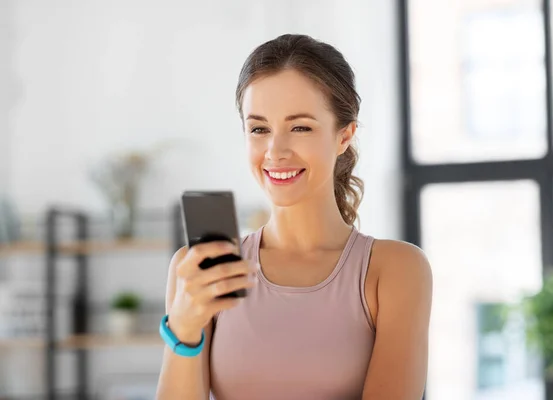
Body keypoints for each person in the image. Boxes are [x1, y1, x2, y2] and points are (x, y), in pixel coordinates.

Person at [156, 34, 433, 400]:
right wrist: (184, 327)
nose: (275, 151)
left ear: (344, 135)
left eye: (300, 127)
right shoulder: (198, 272)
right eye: (259, 129)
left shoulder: (395, 270)